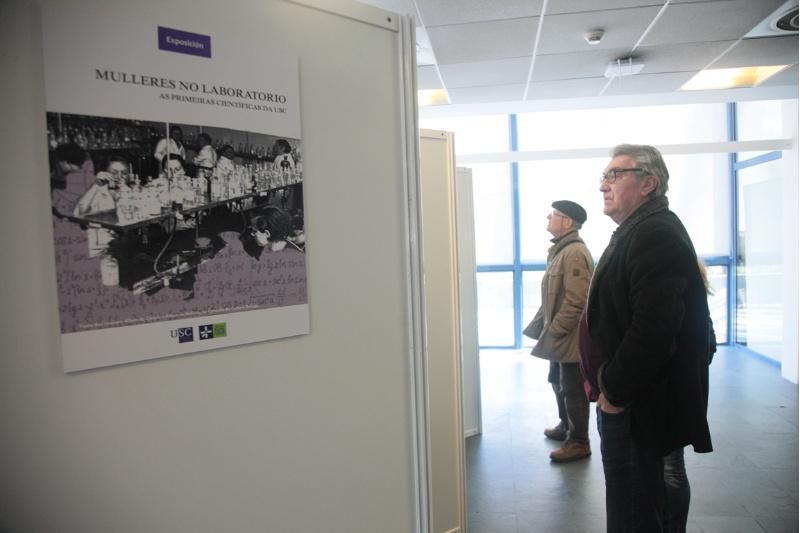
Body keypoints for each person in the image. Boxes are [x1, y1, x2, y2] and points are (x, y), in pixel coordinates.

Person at [586, 144, 713, 532]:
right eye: (603, 176)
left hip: (638, 401)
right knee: (655, 491)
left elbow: (653, 330)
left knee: (636, 507)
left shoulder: (652, 233)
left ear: (648, 184)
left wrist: (613, 391)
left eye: (615, 175)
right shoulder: (642, 228)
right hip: (644, 397)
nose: (604, 185)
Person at [525, 200, 594, 463]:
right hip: (559, 335)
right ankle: (566, 427)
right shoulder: (561, 251)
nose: (548, 218)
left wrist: (556, 330)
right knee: (557, 381)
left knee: (572, 387)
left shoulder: (574, 253)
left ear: (567, 222)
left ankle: (579, 441)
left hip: (570, 337)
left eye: (553, 215)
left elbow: (578, 300)